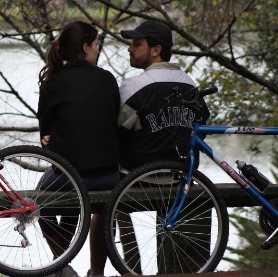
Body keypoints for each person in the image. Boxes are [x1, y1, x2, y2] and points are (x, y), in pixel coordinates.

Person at [37, 21, 120, 277]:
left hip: (69, 177)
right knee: (101, 206)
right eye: (95, 45)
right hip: (109, 174)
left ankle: (61, 263)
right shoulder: (107, 79)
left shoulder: (52, 83)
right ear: (85, 47)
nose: (97, 50)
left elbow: (45, 133)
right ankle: (93, 272)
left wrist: (51, 138)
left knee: (39, 201)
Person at [118, 20, 210, 174]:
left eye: (137, 44)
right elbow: (204, 125)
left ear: (156, 50)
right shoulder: (189, 84)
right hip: (182, 180)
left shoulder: (133, 86)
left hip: (138, 180)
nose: (129, 48)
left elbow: (116, 129)